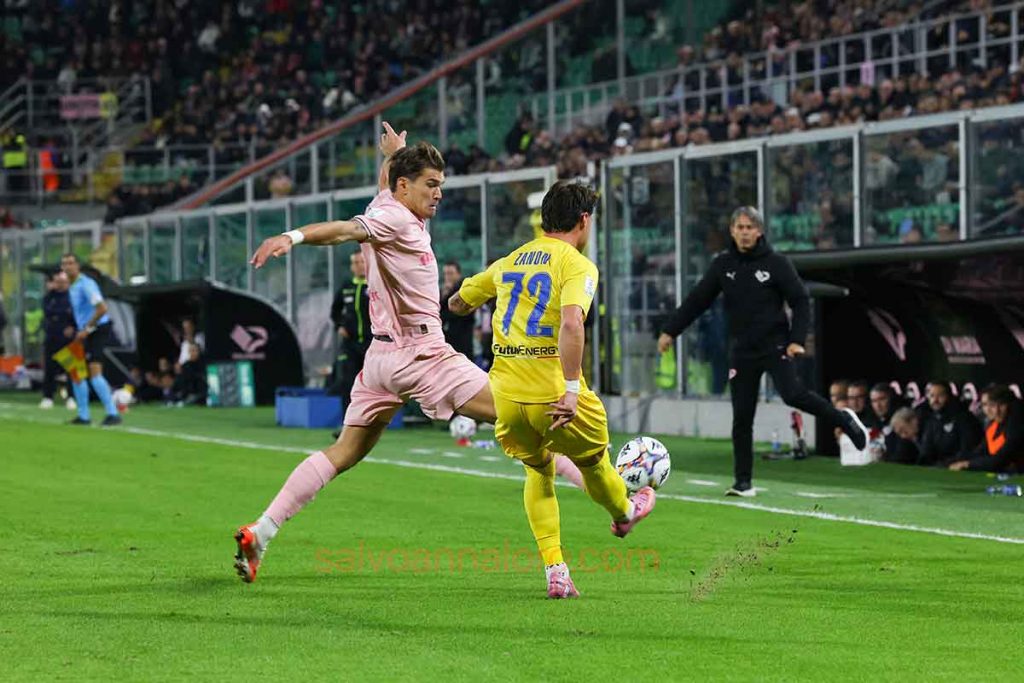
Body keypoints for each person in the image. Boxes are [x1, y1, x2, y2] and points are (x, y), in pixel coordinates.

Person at [234, 124, 581, 584]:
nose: (438, 194)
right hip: (423, 356)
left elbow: (381, 194)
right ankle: (616, 493)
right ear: (405, 186)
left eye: (440, 185)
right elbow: (345, 230)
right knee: (524, 417)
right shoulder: (394, 220)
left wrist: (395, 154)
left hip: (381, 361)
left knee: (344, 452)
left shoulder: (388, 204)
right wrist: (292, 237)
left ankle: (261, 531)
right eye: (430, 185)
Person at [448, 181, 655, 598]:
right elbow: (572, 322)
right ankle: (625, 511)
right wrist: (573, 390)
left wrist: (474, 302)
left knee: (538, 471)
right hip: (555, 395)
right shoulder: (577, 265)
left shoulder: (509, 261)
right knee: (594, 464)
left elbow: (457, 302)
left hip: (507, 397)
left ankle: (556, 570)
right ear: (584, 221)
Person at [656, 207, 869, 497]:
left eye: (750, 227)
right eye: (740, 227)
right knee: (742, 418)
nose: (745, 232)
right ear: (732, 231)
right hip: (742, 351)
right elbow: (697, 300)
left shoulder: (776, 263)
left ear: (759, 231)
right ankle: (743, 482)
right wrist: (670, 331)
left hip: (775, 346)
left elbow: (800, 300)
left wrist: (796, 339)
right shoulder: (723, 265)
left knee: (793, 395)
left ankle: (844, 420)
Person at [61, 253, 122, 426]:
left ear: (78, 266)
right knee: (75, 370)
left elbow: (102, 308)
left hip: (97, 330)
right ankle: (84, 416)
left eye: (71, 263)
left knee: (95, 372)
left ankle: (113, 413)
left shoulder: (86, 284)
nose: (68, 267)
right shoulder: (72, 286)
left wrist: (87, 328)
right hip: (83, 331)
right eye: (64, 264)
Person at [328, 250, 371, 414]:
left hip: (371, 343)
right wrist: (340, 326)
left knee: (372, 383)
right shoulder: (346, 287)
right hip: (350, 344)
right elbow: (335, 311)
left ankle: (372, 420)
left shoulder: (375, 285)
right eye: (355, 263)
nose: (358, 266)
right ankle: (348, 421)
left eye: (361, 262)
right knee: (347, 382)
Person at [948, 384, 1023, 473]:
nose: (995, 410)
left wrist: (968, 464)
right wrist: (949, 462)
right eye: (986, 405)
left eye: (1001, 404)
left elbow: (1001, 459)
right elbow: (979, 452)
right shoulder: (993, 427)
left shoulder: (1018, 426)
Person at [917, 381, 982, 467]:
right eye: (932, 396)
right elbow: (927, 450)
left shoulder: (964, 418)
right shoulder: (931, 419)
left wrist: (941, 465)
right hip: (937, 467)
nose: (935, 400)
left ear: (949, 396)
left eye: (940, 396)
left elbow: (967, 451)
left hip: (958, 468)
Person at [40, 271, 76, 410]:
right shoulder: (49, 297)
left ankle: (72, 397)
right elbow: (48, 312)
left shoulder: (72, 296)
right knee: (50, 369)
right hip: (52, 336)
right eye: (58, 282)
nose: (60, 285)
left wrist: (72, 326)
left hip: (68, 339)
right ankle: (48, 397)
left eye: (63, 282)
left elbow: (75, 314)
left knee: (71, 369)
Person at [440, 261, 474, 360]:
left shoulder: (464, 289)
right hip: (448, 339)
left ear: (458, 274)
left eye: (450, 273)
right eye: (445, 274)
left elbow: (456, 312)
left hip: (462, 338)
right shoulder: (443, 290)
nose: (447, 277)